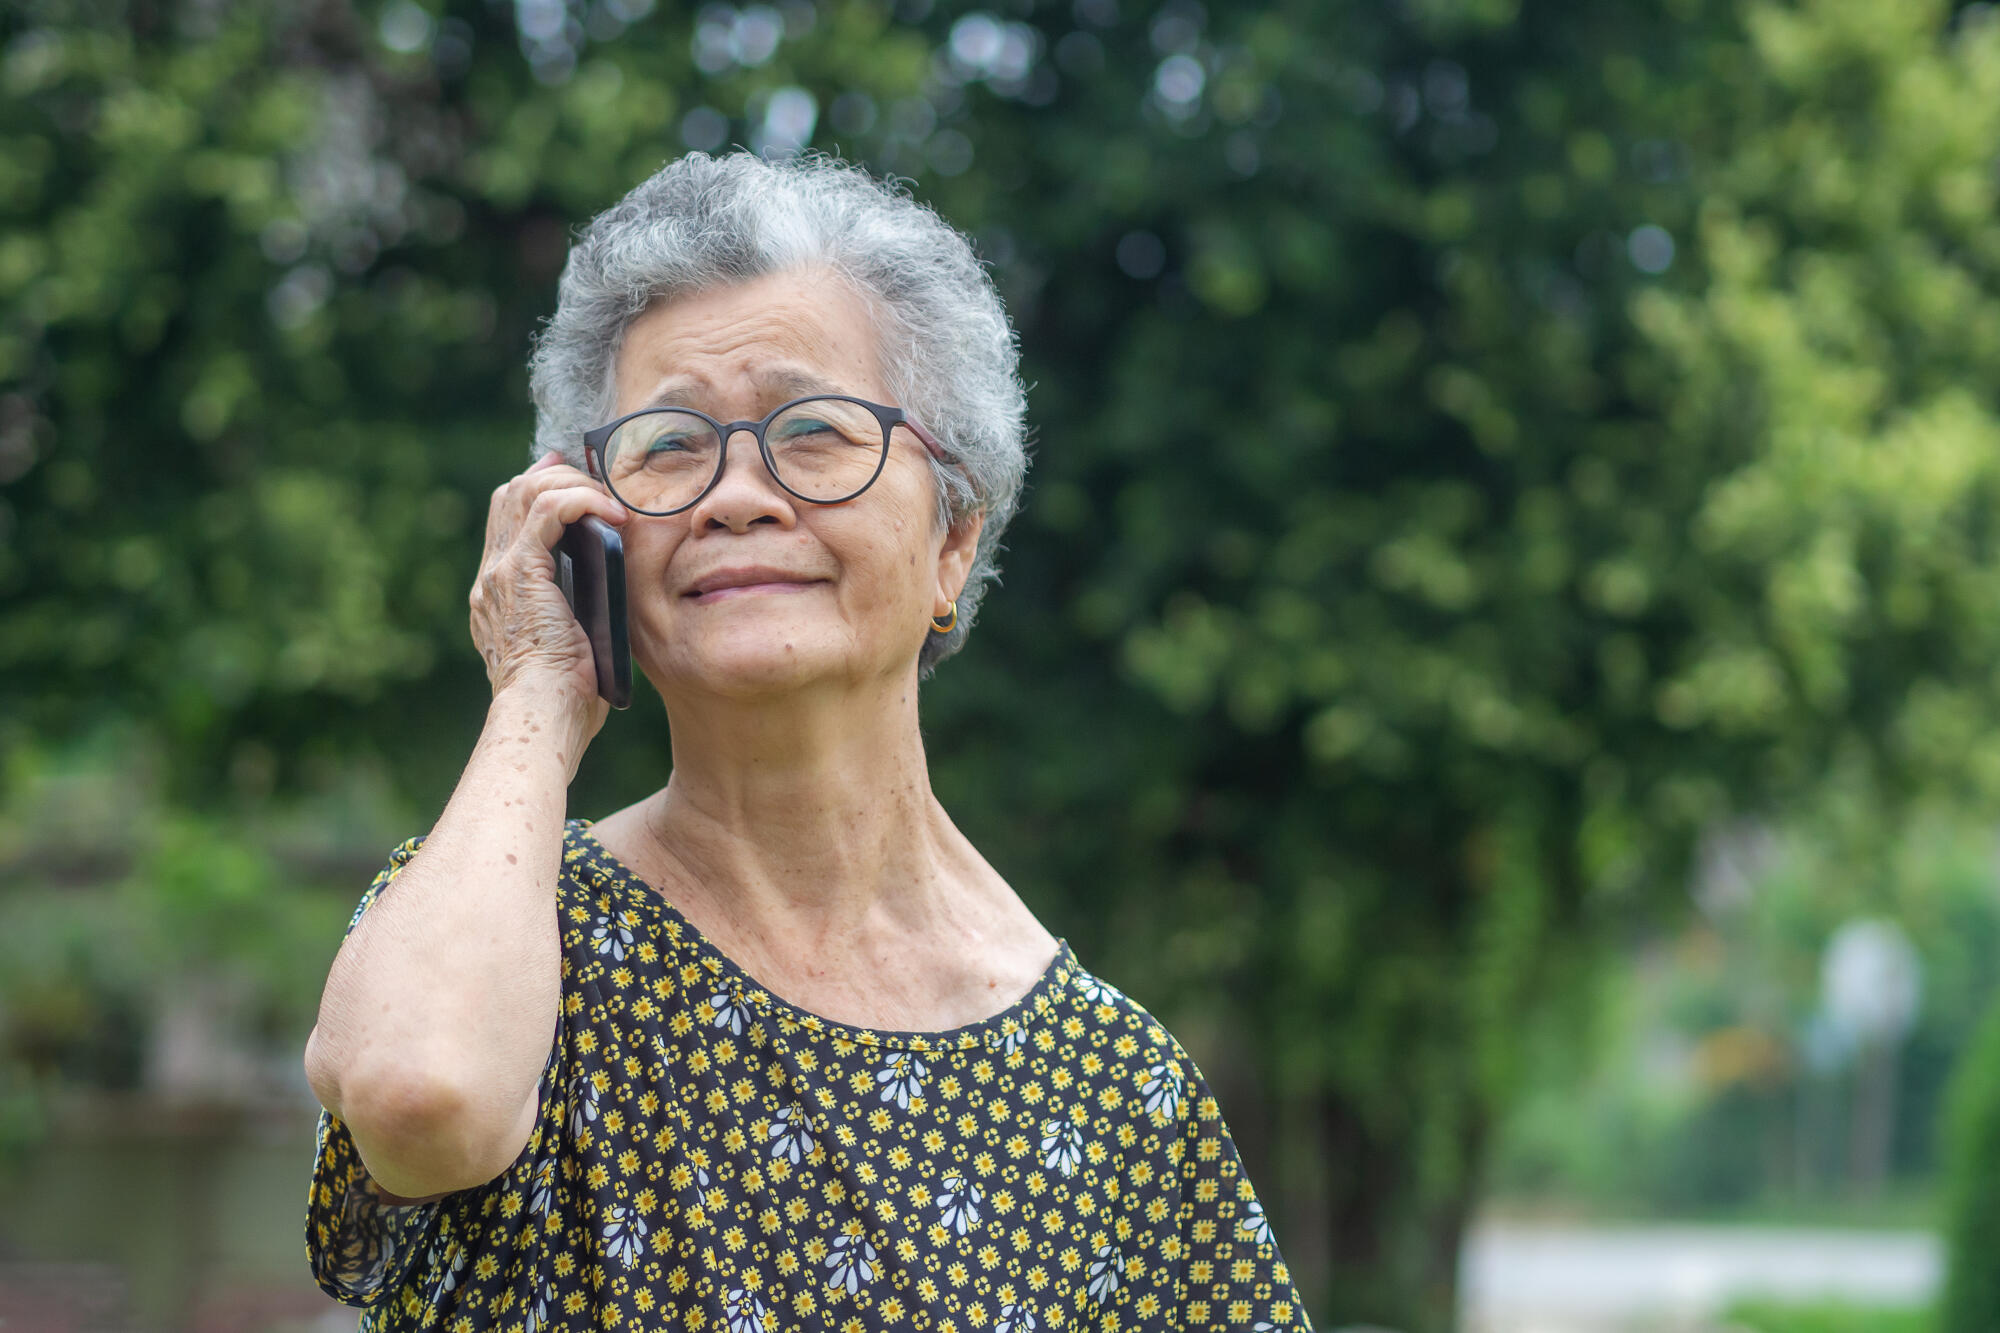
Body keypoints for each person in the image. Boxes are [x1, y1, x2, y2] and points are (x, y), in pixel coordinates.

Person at [302, 150, 1312, 1333]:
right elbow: (422, 1098)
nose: (735, 494)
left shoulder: (1109, 1089)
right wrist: (536, 686)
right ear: (587, 537)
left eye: (814, 431)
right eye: (668, 445)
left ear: (950, 539)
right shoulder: (507, 924)